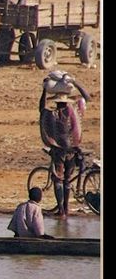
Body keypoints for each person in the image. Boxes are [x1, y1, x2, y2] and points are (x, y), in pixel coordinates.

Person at [39, 79, 90, 218]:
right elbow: (87, 97)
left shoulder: (53, 115)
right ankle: (66, 209)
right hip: (73, 150)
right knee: (67, 179)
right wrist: (76, 83)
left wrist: (44, 89)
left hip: (59, 152)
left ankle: (61, 210)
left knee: (58, 179)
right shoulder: (74, 112)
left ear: (56, 102)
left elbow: (41, 108)